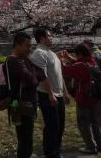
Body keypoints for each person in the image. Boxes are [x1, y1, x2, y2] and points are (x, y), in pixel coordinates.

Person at [59, 44, 101, 154]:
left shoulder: (80, 65)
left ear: (80, 54)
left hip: (85, 98)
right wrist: (70, 57)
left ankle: (91, 147)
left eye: (76, 54)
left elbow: (65, 70)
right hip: (96, 97)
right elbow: (80, 63)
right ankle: (100, 144)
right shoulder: (92, 61)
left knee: (84, 123)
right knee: (95, 122)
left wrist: (60, 59)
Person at [30, 28, 70, 158]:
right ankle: (50, 153)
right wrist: (51, 94)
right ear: (42, 38)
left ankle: (57, 151)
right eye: (49, 36)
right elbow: (43, 76)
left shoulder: (51, 53)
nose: (51, 38)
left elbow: (59, 75)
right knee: (52, 126)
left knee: (60, 125)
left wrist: (65, 92)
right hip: (47, 95)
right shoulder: (39, 54)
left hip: (58, 94)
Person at [6, 31, 46, 158]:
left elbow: (41, 73)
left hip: (27, 104)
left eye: (30, 46)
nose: (30, 49)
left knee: (26, 138)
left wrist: (32, 73)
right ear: (17, 45)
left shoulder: (24, 60)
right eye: (27, 45)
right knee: (25, 140)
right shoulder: (13, 61)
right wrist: (33, 74)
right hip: (20, 105)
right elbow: (33, 81)